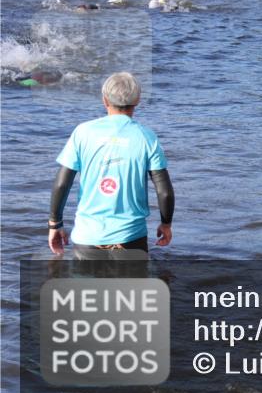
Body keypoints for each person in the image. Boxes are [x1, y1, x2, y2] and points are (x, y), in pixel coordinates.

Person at [48, 72, 175, 260]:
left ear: (105, 100)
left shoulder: (83, 132)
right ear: (137, 100)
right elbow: (164, 191)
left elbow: (61, 184)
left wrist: (55, 224)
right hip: (131, 239)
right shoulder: (147, 137)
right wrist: (166, 224)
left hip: (87, 239)